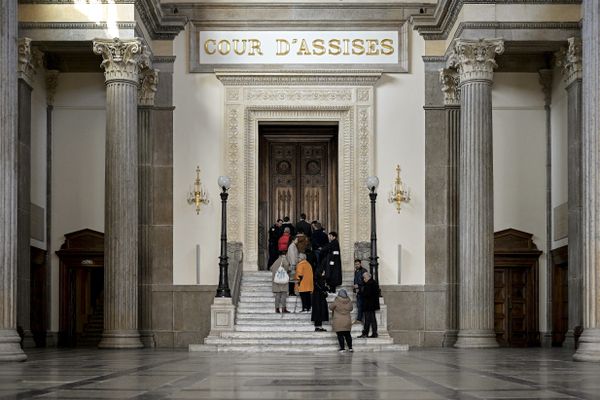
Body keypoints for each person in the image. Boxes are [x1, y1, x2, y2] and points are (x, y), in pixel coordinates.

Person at [329, 289, 354, 353]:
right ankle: (350, 348)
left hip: (338, 320)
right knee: (348, 334)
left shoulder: (337, 300)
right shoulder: (349, 300)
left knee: (340, 335)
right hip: (347, 320)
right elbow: (351, 308)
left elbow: (331, 307)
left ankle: (342, 348)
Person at [357, 271, 380, 338]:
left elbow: (366, 294)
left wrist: (359, 292)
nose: (363, 279)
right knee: (372, 319)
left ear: (368, 277)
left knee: (368, 319)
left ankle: (366, 333)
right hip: (371, 305)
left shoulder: (370, 284)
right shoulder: (373, 283)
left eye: (364, 278)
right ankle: (374, 333)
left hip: (369, 305)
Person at [311, 267, 329, 331]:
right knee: (319, 312)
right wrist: (326, 288)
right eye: (323, 272)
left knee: (318, 312)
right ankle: (318, 327)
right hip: (319, 298)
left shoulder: (317, 279)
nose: (324, 273)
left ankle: (318, 326)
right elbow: (322, 288)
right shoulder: (320, 279)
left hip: (317, 298)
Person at [352, 259, 368, 324]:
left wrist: (358, 286)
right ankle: (359, 319)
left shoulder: (364, 271)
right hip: (358, 291)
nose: (357, 265)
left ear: (360, 264)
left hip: (363, 291)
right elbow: (356, 280)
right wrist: (355, 289)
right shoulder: (356, 271)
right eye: (355, 264)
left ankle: (360, 319)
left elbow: (365, 281)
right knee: (359, 305)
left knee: (361, 305)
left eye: (358, 264)